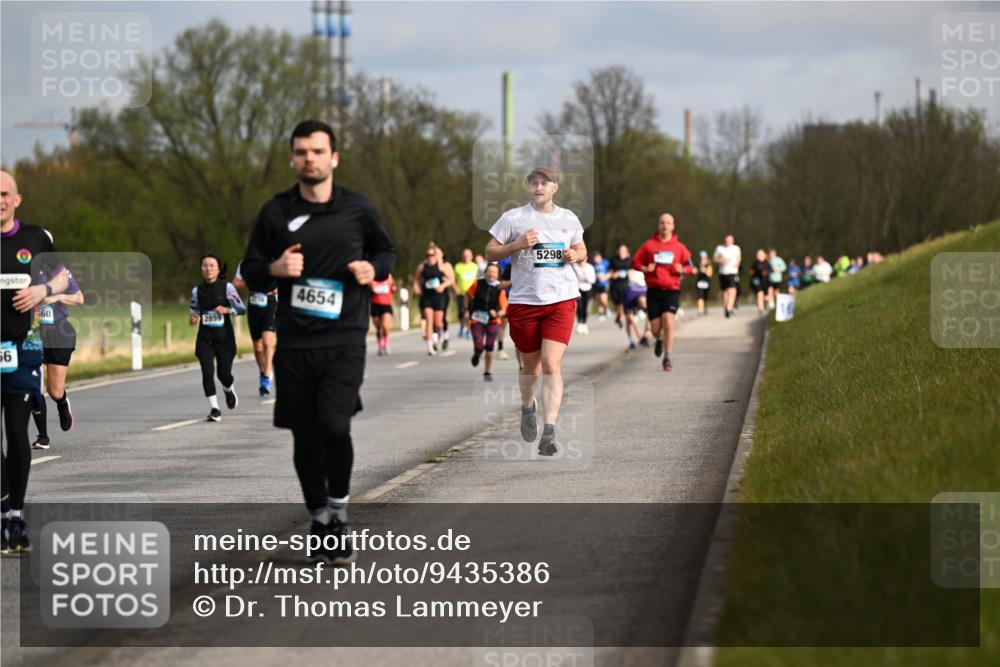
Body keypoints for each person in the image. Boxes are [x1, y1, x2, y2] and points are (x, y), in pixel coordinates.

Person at [241, 119, 396, 565]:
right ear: (293, 158)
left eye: (317, 150)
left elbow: (386, 251)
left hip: (345, 336)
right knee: (304, 435)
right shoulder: (275, 212)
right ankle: (319, 517)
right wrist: (274, 270)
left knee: (334, 425)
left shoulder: (358, 208)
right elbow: (249, 269)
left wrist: (374, 270)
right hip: (294, 341)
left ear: (333, 158)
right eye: (302, 151)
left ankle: (340, 511)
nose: (310, 158)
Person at [485, 165, 586, 456]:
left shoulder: (568, 218)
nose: (539, 187)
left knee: (551, 364)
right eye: (535, 182)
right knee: (531, 368)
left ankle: (550, 430)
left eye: (545, 182)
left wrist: (574, 254)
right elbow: (490, 252)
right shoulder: (514, 218)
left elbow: (583, 250)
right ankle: (528, 407)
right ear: (530, 187)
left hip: (561, 300)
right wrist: (517, 244)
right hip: (525, 302)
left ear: (555, 187)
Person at [1, 170, 70, 554]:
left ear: (17, 199)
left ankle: (14, 515)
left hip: (21, 349)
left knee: (16, 433)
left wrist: (42, 289)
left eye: (4, 193)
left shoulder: (35, 238)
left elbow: (63, 279)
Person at [632, 213, 695, 371]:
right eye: (662, 223)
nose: (665, 225)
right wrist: (645, 268)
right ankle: (659, 339)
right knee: (654, 329)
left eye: (668, 223)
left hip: (672, 290)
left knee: (668, 321)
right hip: (653, 291)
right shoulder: (649, 245)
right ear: (658, 225)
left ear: (673, 226)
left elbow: (691, 267)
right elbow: (635, 262)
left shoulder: (679, 247)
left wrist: (684, 269)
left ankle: (667, 357)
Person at [31, 266, 83, 450]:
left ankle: (62, 402)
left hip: (58, 332)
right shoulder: (18, 266)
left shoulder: (60, 272)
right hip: (32, 333)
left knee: (54, 391)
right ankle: (43, 437)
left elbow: (79, 298)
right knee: (33, 387)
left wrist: (57, 297)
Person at [189, 255, 245, 421]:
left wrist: (227, 310)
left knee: (223, 374)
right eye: (205, 266)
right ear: (201, 269)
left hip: (225, 339)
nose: (208, 269)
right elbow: (193, 309)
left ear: (218, 269)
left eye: (211, 265)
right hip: (205, 338)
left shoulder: (227, 288)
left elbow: (241, 309)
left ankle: (228, 389)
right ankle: (215, 409)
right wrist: (193, 317)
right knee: (207, 372)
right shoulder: (196, 291)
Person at [233, 262, 277, 397]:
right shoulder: (246, 262)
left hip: (270, 302)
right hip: (254, 304)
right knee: (258, 348)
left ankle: (268, 374)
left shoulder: (274, 259)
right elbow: (235, 282)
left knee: (267, 343)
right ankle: (263, 374)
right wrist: (251, 282)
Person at [466, 263, 508, 382]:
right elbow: (468, 294)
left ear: (498, 275)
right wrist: (465, 310)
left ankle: (487, 371)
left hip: (492, 321)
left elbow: (504, 307)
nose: (491, 274)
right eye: (489, 272)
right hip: (477, 319)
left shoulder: (500, 289)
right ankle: (477, 353)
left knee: (489, 346)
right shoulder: (477, 283)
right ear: (485, 273)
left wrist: (498, 313)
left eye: (494, 272)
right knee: (479, 345)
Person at [413, 243, 452, 356]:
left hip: (439, 296)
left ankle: (438, 335)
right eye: (428, 255)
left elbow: (450, 279)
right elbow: (416, 280)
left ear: (436, 255)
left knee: (438, 322)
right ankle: (430, 346)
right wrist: (416, 287)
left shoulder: (441, 267)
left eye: (432, 255)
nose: (430, 257)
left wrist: (443, 286)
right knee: (429, 321)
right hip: (427, 296)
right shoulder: (422, 266)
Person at [713, 234, 741, 318]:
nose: (728, 241)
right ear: (724, 240)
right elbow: (715, 258)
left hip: (732, 272)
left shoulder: (736, 248)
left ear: (733, 241)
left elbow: (739, 258)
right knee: (725, 292)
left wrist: (737, 265)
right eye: (727, 240)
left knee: (733, 291)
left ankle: (729, 309)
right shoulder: (719, 248)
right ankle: (726, 308)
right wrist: (720, 260)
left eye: (730, 240)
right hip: (722, 272)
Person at [453, 248, 479, 340]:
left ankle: (469, 330)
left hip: (472, 294)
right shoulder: (457, 266)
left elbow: (478, 280)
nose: (466, 257)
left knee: (469, 313)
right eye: (464, 255)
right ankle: (462, 326)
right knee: (461, 313)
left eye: (468, 255)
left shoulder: (475, 266)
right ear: (462, 256)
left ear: (471, 256)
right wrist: (455, 289)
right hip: (461, 293)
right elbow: (453, 280)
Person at [369, 273, 395, 356]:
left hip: (386, 305)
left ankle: (386, 344)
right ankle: (380, 346)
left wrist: (394, 288)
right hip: (375, 305)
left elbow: (393, 287)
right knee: (379, 328)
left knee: (385, 326)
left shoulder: (389, 276)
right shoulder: (371, 276)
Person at [623, 269, 649, 350]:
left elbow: (651, 314)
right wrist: (638, 333)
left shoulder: (647, 292)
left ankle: (645, 335)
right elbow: (630, 316)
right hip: (629, 300)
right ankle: (631, 340)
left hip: (641, 292)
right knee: (629, 320)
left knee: (650, 313)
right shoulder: (629, 295)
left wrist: (647, 330)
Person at [608, 244, 631, 328]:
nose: (622, 252)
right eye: (620, 250)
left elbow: (632, 269)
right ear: (618, 251)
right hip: (615, 284)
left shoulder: (629, 260)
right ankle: (619, 315)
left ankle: (621, 317)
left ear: (627, 251)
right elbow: (610, 271)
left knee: (622, 301)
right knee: (616, 302)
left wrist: (630, 272)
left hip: (625, 283)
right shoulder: (613, 260)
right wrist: (613, 274)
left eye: (623, 250)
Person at [573, 258, 596, 334]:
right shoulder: (575, 266)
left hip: (588, 289)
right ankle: (580, 323)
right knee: (580, 306)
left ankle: (584, 323)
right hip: (579, 289)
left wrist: (585, 275)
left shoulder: (590, 267)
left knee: (586, 308)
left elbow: (593, 280)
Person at [750, 249, 771, 314]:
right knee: (759, 294)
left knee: (766, 297)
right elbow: (751, 271)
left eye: (761, 255)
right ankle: (760, 308)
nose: (759, 256)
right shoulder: (755, 263)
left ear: (764, 255)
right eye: (758, 255)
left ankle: (765, 303)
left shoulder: (767, 263)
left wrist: (766, 273)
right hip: (757, 281)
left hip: (765, 281)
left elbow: (770, 271)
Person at [590, 252, 611, 320]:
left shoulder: (606, 262)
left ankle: (607, 309)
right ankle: (601, 314)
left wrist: (606, 276)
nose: (596, 260)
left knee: (603, 298)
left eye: (597, 258)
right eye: (594, 258)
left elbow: (611, 271)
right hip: (596, 284)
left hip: (604, 284)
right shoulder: (593, 265)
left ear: (600, 257)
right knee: (598, 300)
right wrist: (596, 277)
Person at [695, 251, 713, 315]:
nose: (702, 258)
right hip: (699, 283)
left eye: (704, 257)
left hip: (706, 282)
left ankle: (705, 308)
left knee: (705, 297)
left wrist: (705, 270)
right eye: (701, 257)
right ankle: (700, 310)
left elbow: (710, 274)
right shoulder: (697, 264)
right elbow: (694, 272)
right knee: (700, 296)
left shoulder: (708, 265)